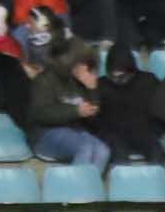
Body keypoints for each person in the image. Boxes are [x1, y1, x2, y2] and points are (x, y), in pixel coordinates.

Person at [26, 43, 112, 172]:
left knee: (103, 151)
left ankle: (89, 189)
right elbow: (41, 113)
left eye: (86, 65)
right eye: (80, 63)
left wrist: (92, 91)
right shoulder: (45, 79)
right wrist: (75, 111)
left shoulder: (82, 82)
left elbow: (95, 121)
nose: (84, 68)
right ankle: (76, 189)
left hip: (75, 131)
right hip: (45, 134)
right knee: (85, 147)